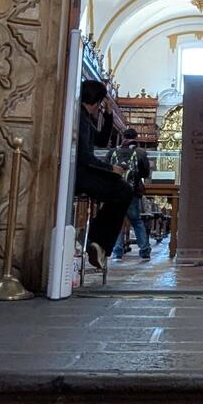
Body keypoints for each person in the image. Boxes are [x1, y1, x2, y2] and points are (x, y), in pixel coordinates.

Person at [75, 80, 133, 270]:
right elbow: (85, 157)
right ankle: (96, 239)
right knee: (123, 191)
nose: (100, 108)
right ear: (96, 101)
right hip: (81, 175)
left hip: (84, 172)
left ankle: (96, 239)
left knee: (122, 189)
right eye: (101, 104)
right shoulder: (80, 118)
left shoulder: (84, 117)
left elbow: (100, 140)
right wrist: (111, 170)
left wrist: (108, 114)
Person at [109, 127, 152, 263]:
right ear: (136, 137)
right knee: (136, 221)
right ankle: (144, 251)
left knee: (117, 220)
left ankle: (117, 252)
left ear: (123, 136)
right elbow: (145, 173)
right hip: (131, 191)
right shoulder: (140, 152)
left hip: (115, 189)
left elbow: (105, 168)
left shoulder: (113, 151)